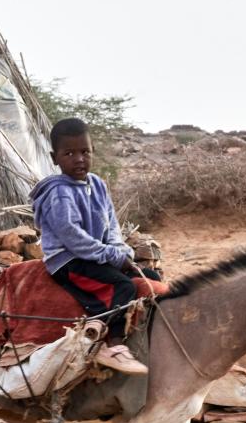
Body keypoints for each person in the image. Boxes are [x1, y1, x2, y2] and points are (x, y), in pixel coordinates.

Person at [31, 118, 156, 375]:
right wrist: (111, 256)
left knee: (151, 277)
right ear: (55, 158)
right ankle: (111, 345)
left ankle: (147, 339)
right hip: (69, 260)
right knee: (120, 286)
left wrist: (120, 251)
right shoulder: (58, 192)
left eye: (85, 152)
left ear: (92, 151)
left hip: (96, 257)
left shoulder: (97, 184)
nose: (79, 159)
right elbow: (72, 237)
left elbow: (110, 224)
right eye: (69, 153)